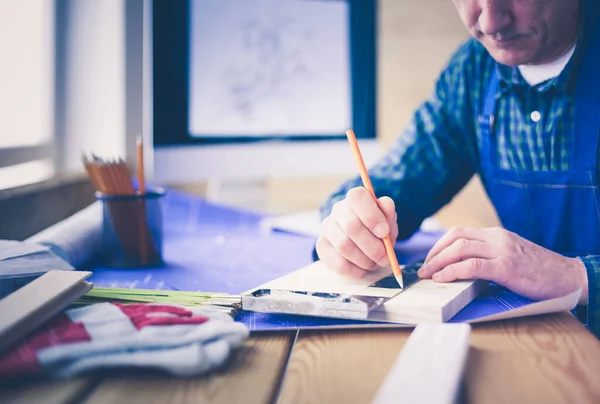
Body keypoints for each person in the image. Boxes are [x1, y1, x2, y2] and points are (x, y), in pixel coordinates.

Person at [315, 0, 600, 337]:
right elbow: (395, 181)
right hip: (536, 340)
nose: (492, 21)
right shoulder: (474, 71)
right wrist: (350, 225)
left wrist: (575, 277)